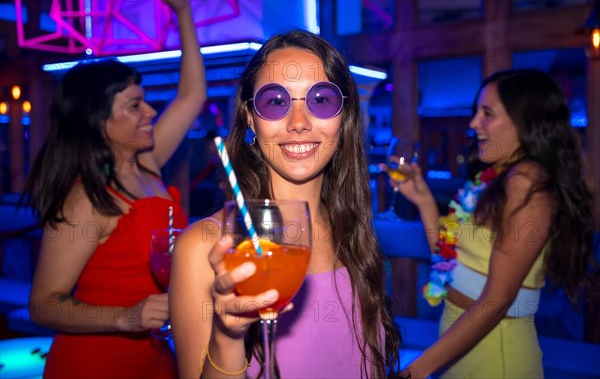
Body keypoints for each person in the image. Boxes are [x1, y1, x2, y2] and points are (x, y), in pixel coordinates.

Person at [171, 30, 402, 378]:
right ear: (251, 117)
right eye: (276, 102)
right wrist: (228, 336)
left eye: (320, 100)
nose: (298, 124)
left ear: (344, 116)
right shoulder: (204, 247)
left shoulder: (351, 228)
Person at [20, 0, 205, 376]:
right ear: (99, 122)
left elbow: (191, 96)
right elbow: (44, 303)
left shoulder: (149, 164)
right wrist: (126, 317)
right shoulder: (86, 197)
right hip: (97, 363)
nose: (151, 112)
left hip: (157, 357)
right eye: (135, 105)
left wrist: (184, 13)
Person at [393, 69, 595, 378]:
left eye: (487, 113)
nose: (474, 124)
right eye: (476, 113)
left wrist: (415, 370)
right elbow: (449, 257)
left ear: (525, 120)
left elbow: (498, 299)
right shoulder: (494, 178)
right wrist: (423, 201)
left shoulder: (528, 181)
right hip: (458, 337)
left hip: (494, 350)